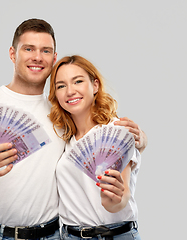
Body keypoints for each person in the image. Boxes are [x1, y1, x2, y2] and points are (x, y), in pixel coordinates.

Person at [0, 18, 147, 240]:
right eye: (28, 48)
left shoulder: (63, 116)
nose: (37, 57)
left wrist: (140, 140)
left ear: (53, 58)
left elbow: (117, 176)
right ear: (12, 54)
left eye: (46, 50)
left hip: (49, 235)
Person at [48, 55, 142, 240]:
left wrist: (113, 201)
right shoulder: (64, 140)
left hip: (113, 235)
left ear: (95, 86)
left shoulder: (116, 131)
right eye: (61, 86)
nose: (70, 91)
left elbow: (122, 198)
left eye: (78, 81)